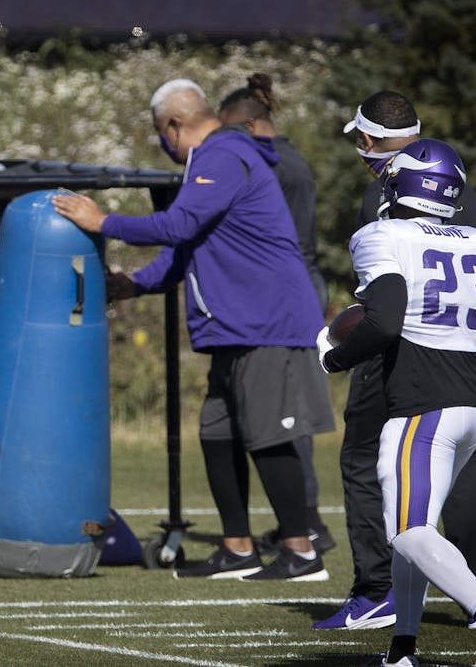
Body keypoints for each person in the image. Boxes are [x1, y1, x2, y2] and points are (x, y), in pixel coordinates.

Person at [53, 79, 334, 582]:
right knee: (218, 433)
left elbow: (178, 226)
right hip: (235, 329)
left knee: (267, 437)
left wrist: (104, 222)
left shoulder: (222, 153)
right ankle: (237, 548)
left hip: (266, 322)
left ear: (173, 125)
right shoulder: (212, 161)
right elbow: (187, 250)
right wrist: (134, 285)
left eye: (161, 134)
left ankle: (301, 551)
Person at [317, 139, 476, 667]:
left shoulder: (381, 233)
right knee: (415, 529)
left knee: (406, 532)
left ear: (404, 184)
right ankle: (401, 651)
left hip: (422, 405)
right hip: (472, 406)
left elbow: (384, 320)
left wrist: (335, 358)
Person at [217, 74, 336, 557]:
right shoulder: (279, 162)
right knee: (280, 413)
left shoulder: (276, 167)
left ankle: (307, 523)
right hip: (296, 286)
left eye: (225, 134)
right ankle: (300, 520)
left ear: (248, 125)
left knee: (289, 417)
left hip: (292, 294)